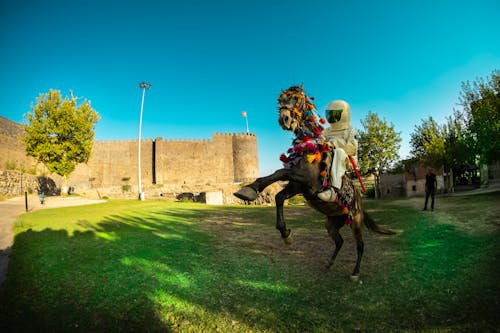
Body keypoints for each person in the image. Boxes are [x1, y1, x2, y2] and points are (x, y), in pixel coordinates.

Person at [317, 100, 358, 202]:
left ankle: (334, 190)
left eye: (335, 114)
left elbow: (353, 148)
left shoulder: (351, 131)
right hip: (328, 157)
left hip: (347, 160)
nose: (332, 117)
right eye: (330, 114)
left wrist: (334, 142)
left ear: (344, 115)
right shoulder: (326, 131)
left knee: (339, 152)